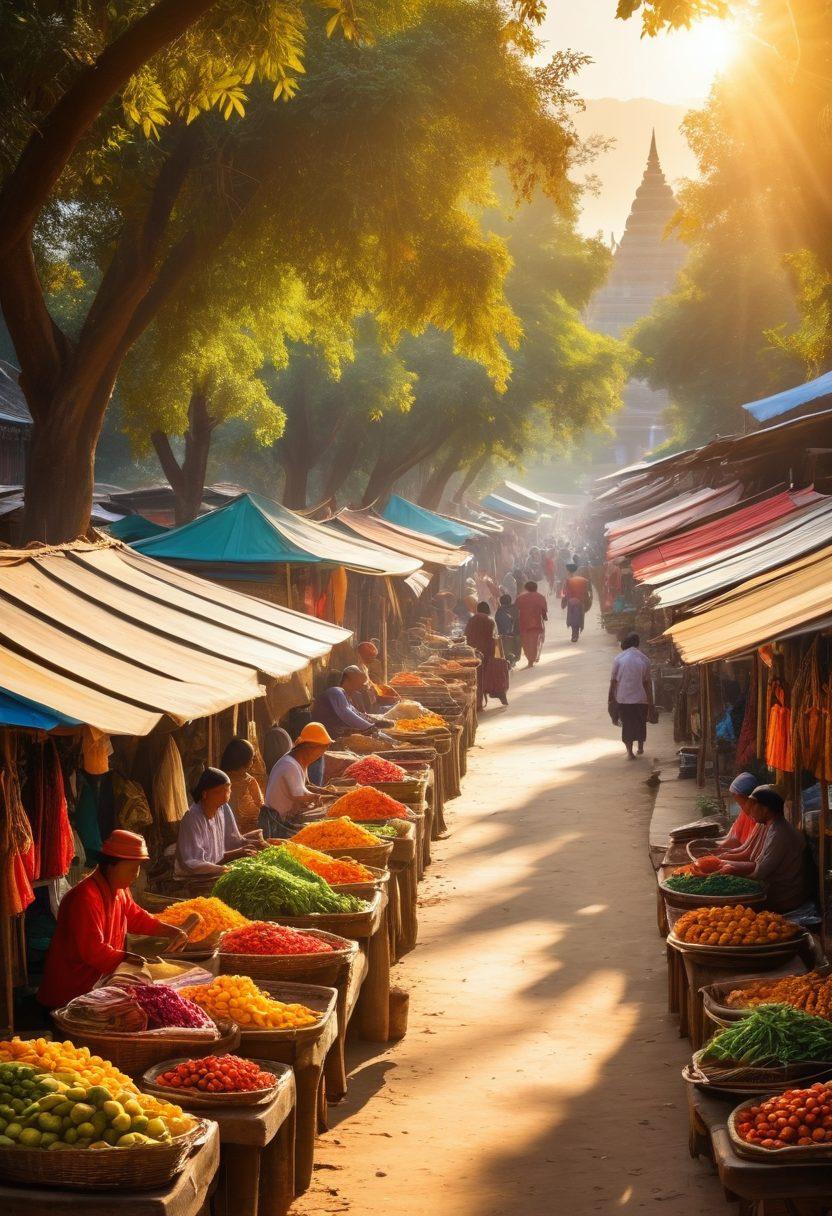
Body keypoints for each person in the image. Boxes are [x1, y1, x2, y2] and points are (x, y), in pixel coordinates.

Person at [38, 830, 189, 1009]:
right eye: (132, 869)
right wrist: (132, 960)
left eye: (138, 868)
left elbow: (136, 917)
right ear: (111, 867)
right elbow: (95, 952)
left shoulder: (120, 889)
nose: (136, 875)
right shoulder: (85, 898)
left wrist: (170, 931)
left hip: (96, 988)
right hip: (69, 994)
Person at [716, 785, 810, 912]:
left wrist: (734, 871)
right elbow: (757, 862)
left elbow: (760, 872)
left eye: (753, 806)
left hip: (784, 897)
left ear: (765, 809)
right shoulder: (773, 826)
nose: (750, 812)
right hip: (775, 889)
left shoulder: (779, 833)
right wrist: (726, 863)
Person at [175, 768, 264, 877]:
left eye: (228, 789)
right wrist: (226, 869)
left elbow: (232, 841)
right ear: (205, 794)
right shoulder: (192, 818)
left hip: (217, 867)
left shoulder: (223, 808)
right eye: (219, 791)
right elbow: (192, 863)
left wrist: (245, 848)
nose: (226, 794)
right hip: (192, 876)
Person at [260, 723, 335, 838]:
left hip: (289, 818)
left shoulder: (299, 760)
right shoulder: (289, 765)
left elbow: (307, 785)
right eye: (322, 750)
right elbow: (298, 796)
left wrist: (329, 793)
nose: (321, 755)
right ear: (310, 748)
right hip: (278, 823)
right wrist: (317, 797)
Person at [312, 666, 392, 739]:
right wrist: (369, 727)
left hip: (336, 732)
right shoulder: (336, 691)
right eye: (357, 684)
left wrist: (375, 721)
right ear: (347, 681)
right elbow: (346, 713)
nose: (358, 689)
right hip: (326, 735)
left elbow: (356, 713)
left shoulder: (344, 695)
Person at [609, 633, 653, 759]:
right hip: (640, 698)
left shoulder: (618, 659)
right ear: (638, 644)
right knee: (641, 723)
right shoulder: (645, 660)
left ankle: (629, 753)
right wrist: (650, 702)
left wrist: (611, 698)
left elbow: (613, 681)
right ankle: (640, 747)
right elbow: (646, 683)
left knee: (627, 725)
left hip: (623, 698)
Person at [465, 601, 508, 708]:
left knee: (477, 677)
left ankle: (478, 703)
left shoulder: (471, 619)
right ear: (487, 610)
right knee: (485, 675)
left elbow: (466, 634)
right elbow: (494, 636)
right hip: (486, 651)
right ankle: (490, 695)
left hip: (472, 651)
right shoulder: (490, 620)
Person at [219, 736, 264, 834]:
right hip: (248, 833)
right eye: (252, 759)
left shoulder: (218, 779)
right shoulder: (249, 781)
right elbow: (261, 806)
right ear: (245, 760)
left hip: (222, 831)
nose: (252, 762)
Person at [515, 580, 548, 668]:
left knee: (525, 642)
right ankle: (532, 659)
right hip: (536, 623)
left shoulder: (520, 598)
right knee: (534, 641)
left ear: (526, 588)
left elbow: (515, 610)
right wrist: (544, 617)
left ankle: (529, 658)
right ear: (536, 588)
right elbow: (544, 611)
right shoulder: (541, 597)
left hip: (523, 623)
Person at [560, 561, 593, 644]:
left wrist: (564, 601)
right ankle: (576, 634)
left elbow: (565, 592)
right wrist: (588, 601)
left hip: (571, 602)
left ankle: (574, 634)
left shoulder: (568, 580)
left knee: (572, 618)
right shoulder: (585, 580)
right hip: (581, 601)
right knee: (580, 618)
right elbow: (589, 592)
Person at [495, 593, 520, 668]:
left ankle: (510, 664)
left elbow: (498, 624)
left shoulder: (499, 612)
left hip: (504, 637)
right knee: (515, 653)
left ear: (501, 602)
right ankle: (513, 662)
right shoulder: (516, 609)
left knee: (506, 654)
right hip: (516, 635)